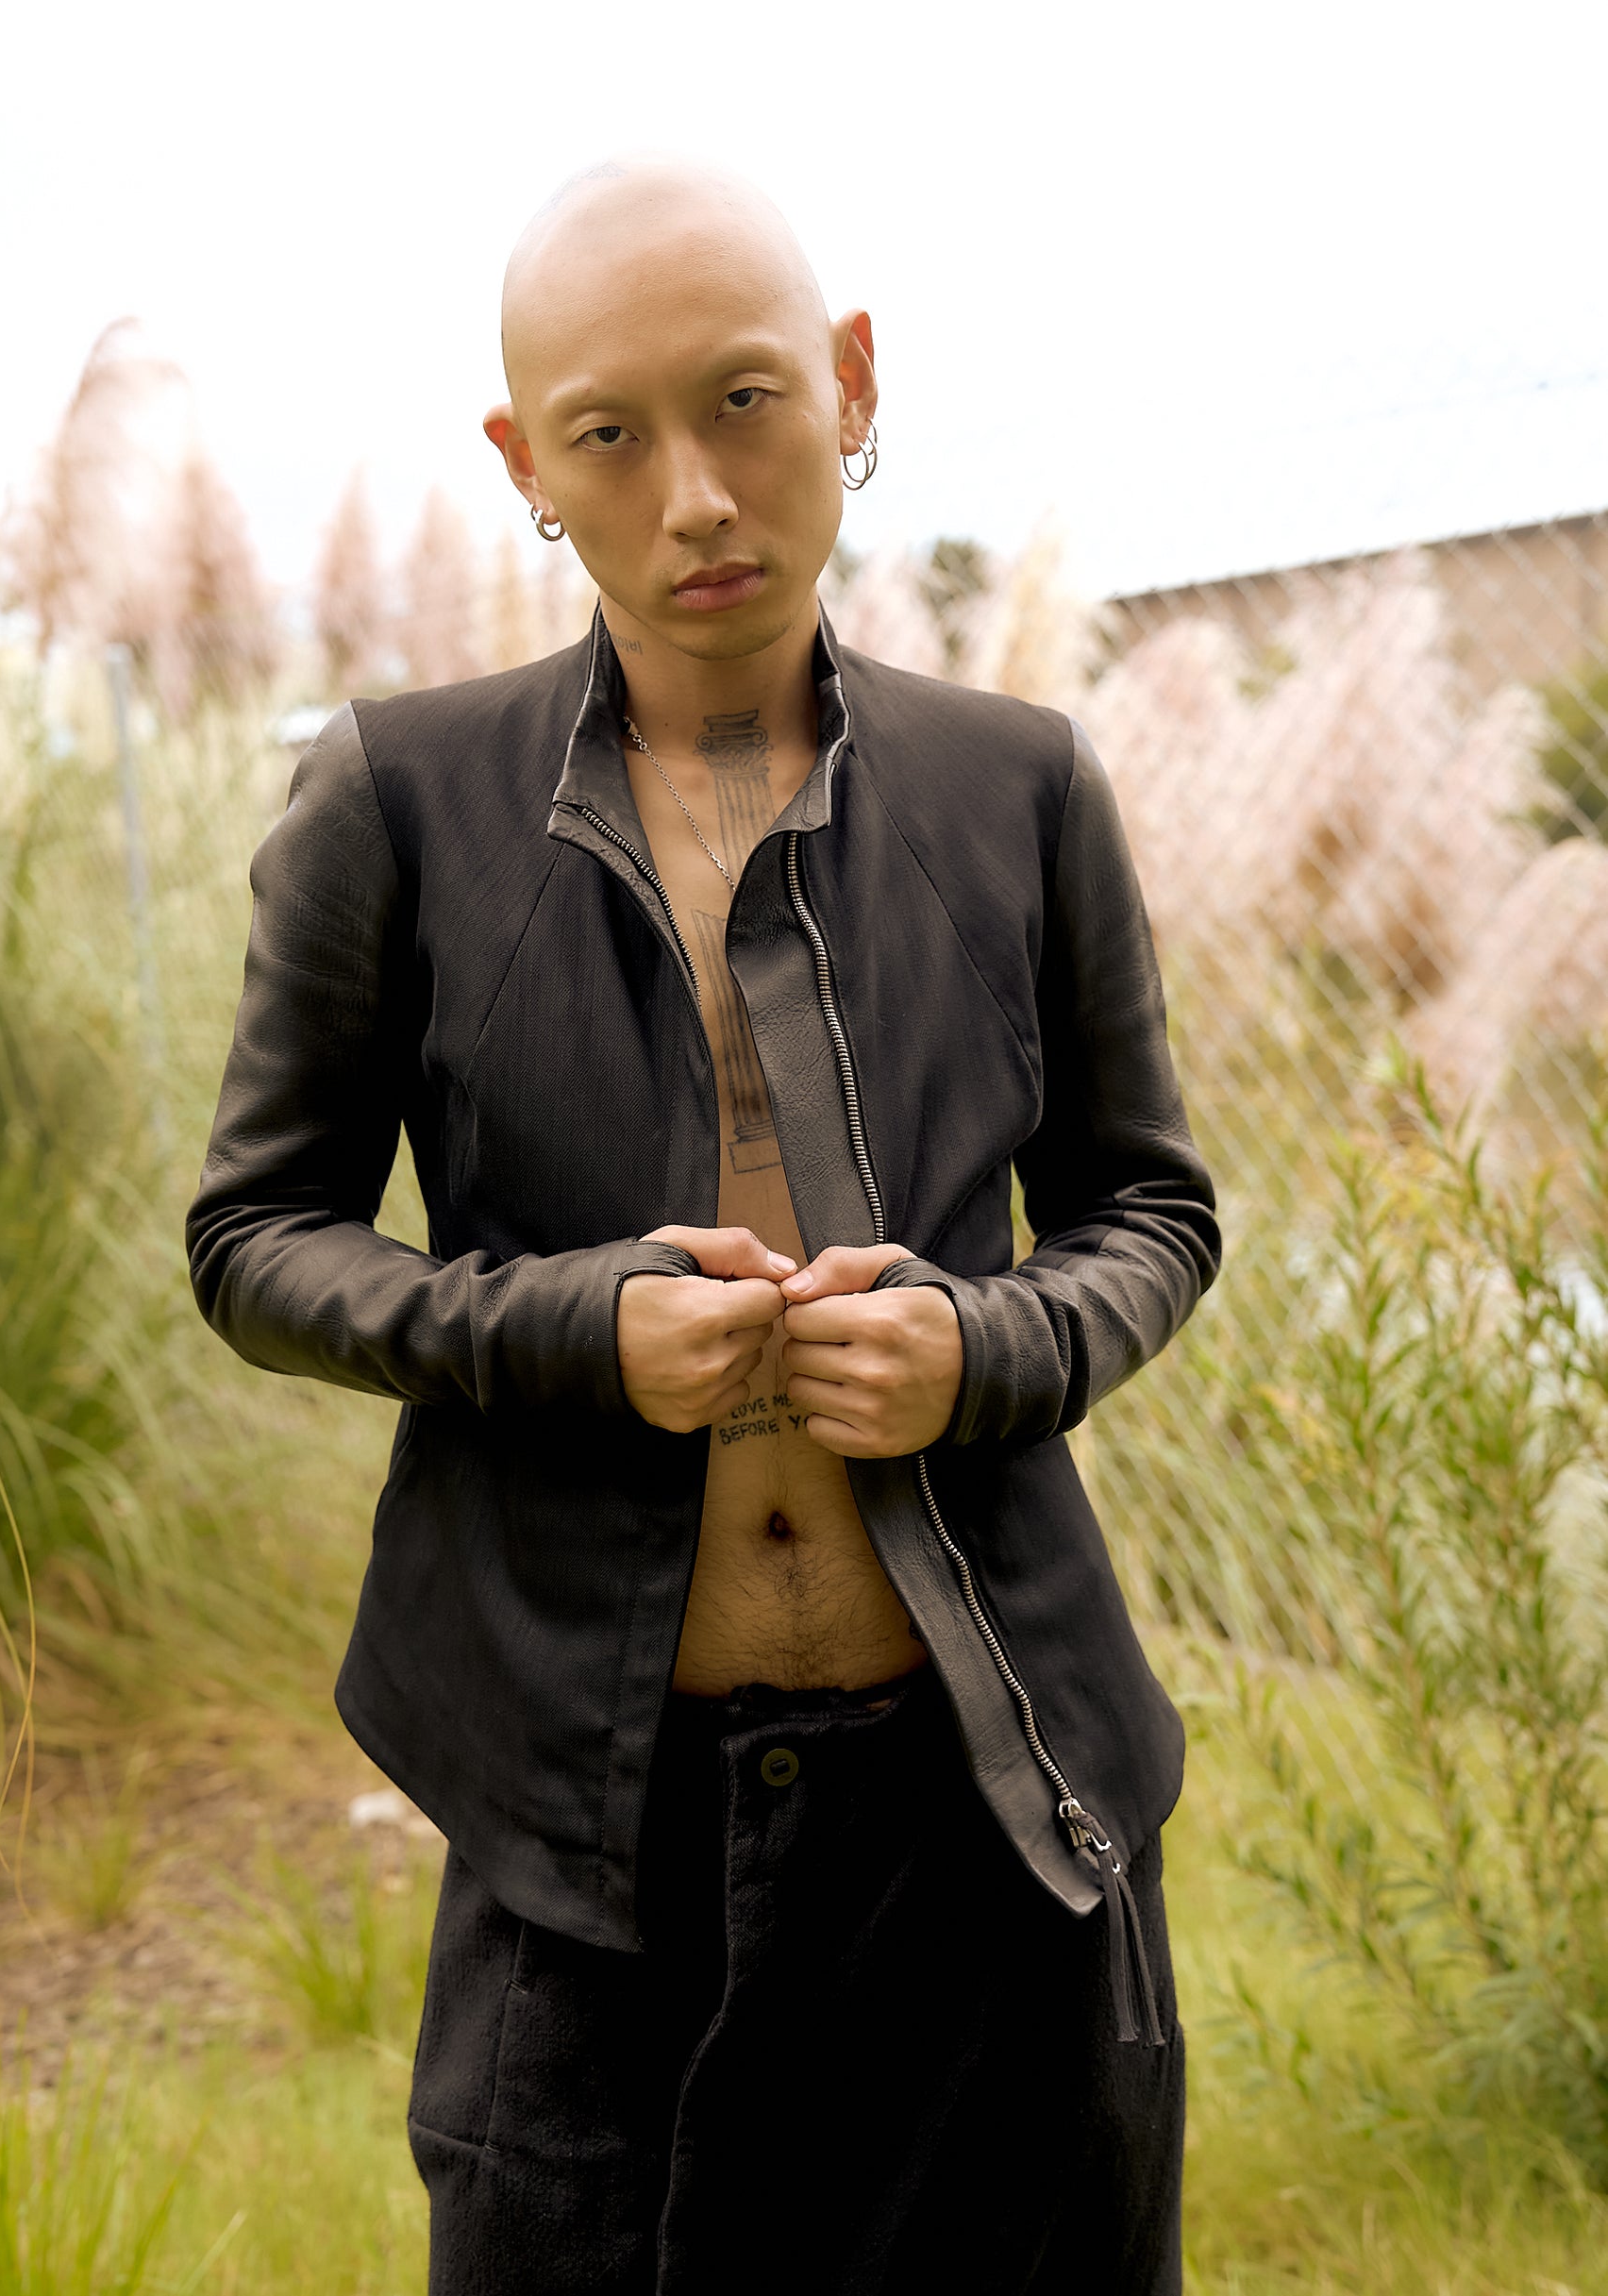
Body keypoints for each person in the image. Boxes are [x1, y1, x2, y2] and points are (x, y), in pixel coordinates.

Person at [187, 157, 1220, 2295]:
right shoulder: (393, 800)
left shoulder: (1019, 784)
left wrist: (980, 1345)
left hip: (991, 1804)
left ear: (847, 384)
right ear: (523, 464)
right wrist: (575, 1326)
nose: (693, 496)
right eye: (608, 433)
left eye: (743, 400)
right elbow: (259, 1235)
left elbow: (1147, 1210)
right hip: (585, 1834)